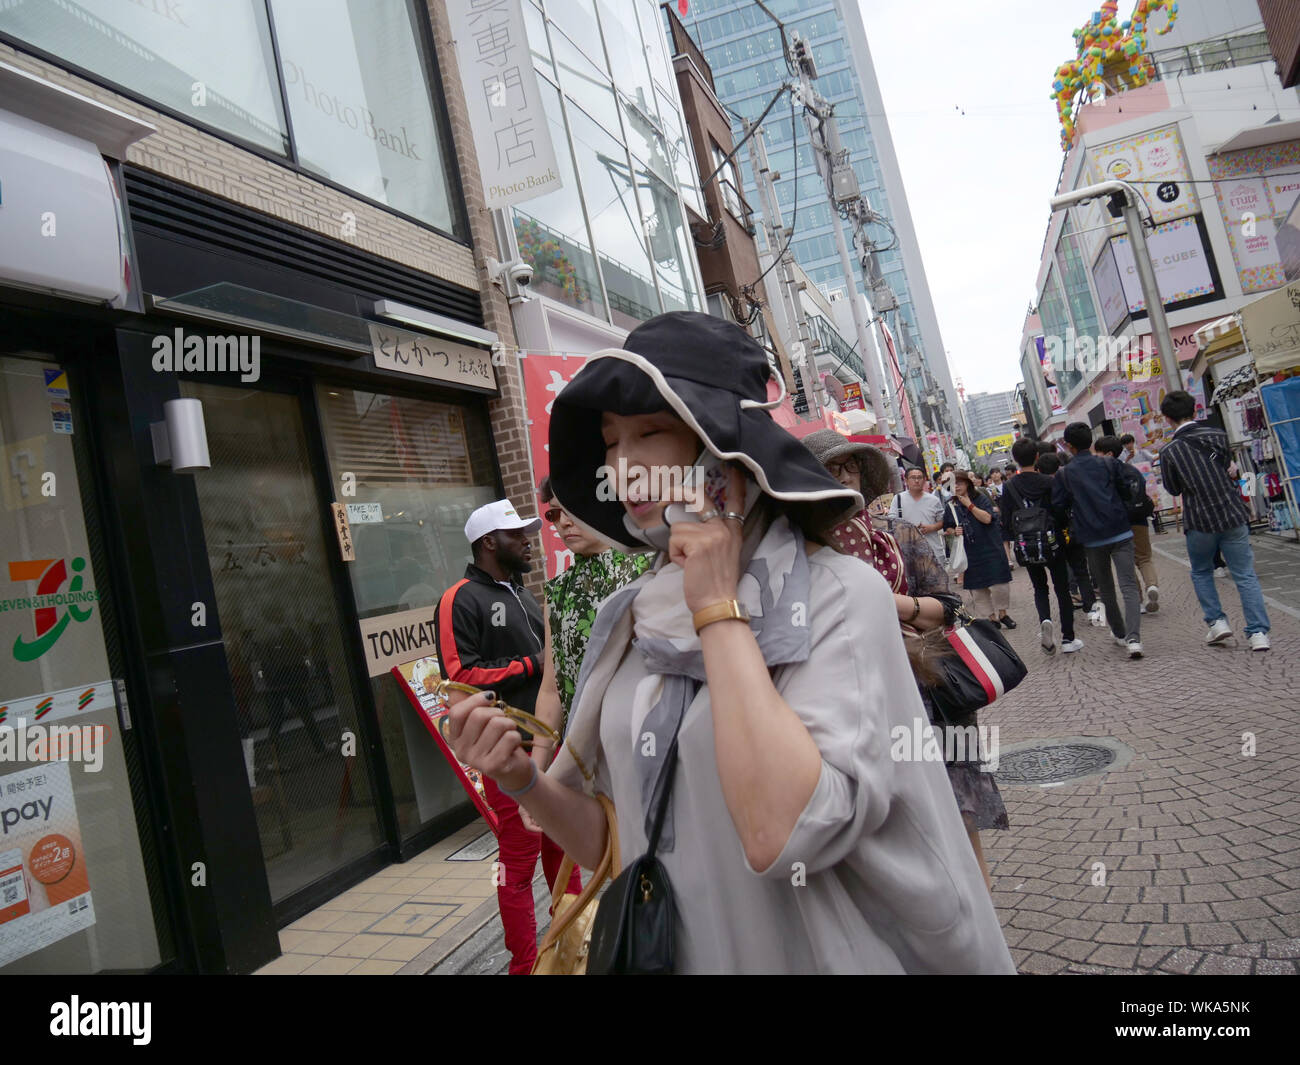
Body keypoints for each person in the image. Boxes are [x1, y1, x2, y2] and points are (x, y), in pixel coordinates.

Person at [443, 311, 1014, 974]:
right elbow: (618, 836)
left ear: (722, 450)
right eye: (610, 440)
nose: (624, 464)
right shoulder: (630, 618)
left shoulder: (839, 596)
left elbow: (784, 835)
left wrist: (718, 610)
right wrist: (524, 780)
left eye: (650, 431)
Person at [806, 430, 1008, 893]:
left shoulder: (898, 536)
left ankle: (983, 925)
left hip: (931, 685)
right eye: (830, 470)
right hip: (855, 699)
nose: (842, 478)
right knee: (892, 818)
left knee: (958, 806)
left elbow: (951, 606)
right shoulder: (802, 550)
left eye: (850, 468)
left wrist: (893, 605)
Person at [432, 499, 581, 974]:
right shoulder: (459, 598)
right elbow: (458, 678)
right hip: (504, 753)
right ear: (489, 542)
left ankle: (573, 944)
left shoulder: (521, 593)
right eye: (517, 535)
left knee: (565, 850)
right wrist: (531, 665)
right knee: (518, 867)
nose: (529, 541)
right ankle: (525, 964)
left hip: (549, 748)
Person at [1157, 390, 1271, 651]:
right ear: (1195, 410)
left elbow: (1173, 489)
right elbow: (1228, 468)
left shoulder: (1169, 451)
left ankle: (1217, 623)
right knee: (1245, 575)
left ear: (1167, 418)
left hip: (1199, 520)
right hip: (1232, 514)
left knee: (1201, 572)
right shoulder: (1218, 435)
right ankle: (1258, 634)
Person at [537, 476, 651, 730]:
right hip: (581, 751)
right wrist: (537, 767)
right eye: (555, 513)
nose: (565, 522)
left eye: (573, 507)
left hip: (644, 734)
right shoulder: (557, 592)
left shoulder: (649, 567)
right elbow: (551, 691)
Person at [1052, 422, 1146, 659]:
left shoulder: (1065, 474)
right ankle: (1134, 638)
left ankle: (1120, 633)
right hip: (1121, 530)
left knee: (1106, 589)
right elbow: (1126, 490)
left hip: (1092, 537)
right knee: (1129, 586)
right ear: (1091, 442)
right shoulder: (1109, 463)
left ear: (1068, 446)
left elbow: (1059, 506)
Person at [1004, 438, 1082, 654]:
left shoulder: (1009, 486)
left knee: (1040, 588)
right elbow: (1061, 510)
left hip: (1027, 544)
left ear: (1015, 460)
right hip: (1052, 541)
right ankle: (1068, 638)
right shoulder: (1048, 482)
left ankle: (1045, 620)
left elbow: (1006, 519)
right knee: (1062, 589)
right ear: (1037, 456)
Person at [1096, 435, 1159, 613]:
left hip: (1119, 523)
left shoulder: (1104, 474)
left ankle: (1138, 601)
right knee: (1144, 557)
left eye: (1099, 453)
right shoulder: (1132, 470)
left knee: (1127, 563)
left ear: (1108, 454)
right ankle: (1152, 585)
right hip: (1139, 518)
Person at [950, 470, 1015, 628]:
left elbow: (987, 518)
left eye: (960, 482)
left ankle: (1003, 613)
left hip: (990, 546)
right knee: (978, 589)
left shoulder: (980, 498)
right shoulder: (951, 505)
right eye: (954, 483)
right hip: (970, 551)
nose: (957, 486)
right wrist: (953, 531)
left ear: (967, 484)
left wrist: (969, 505)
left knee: (1000, 584)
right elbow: (947, 526)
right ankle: (991, 618)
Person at [890, 465, 948, 561]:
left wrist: (931, 527)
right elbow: (892, 521)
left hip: (933, 550)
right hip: (909, 551)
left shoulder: (933, 500)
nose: (916, 481)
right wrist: (908, 529)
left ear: (924, 480)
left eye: (919, 477)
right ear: (906, 480)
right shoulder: (898, 499)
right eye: (913, 478)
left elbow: (942, 521)